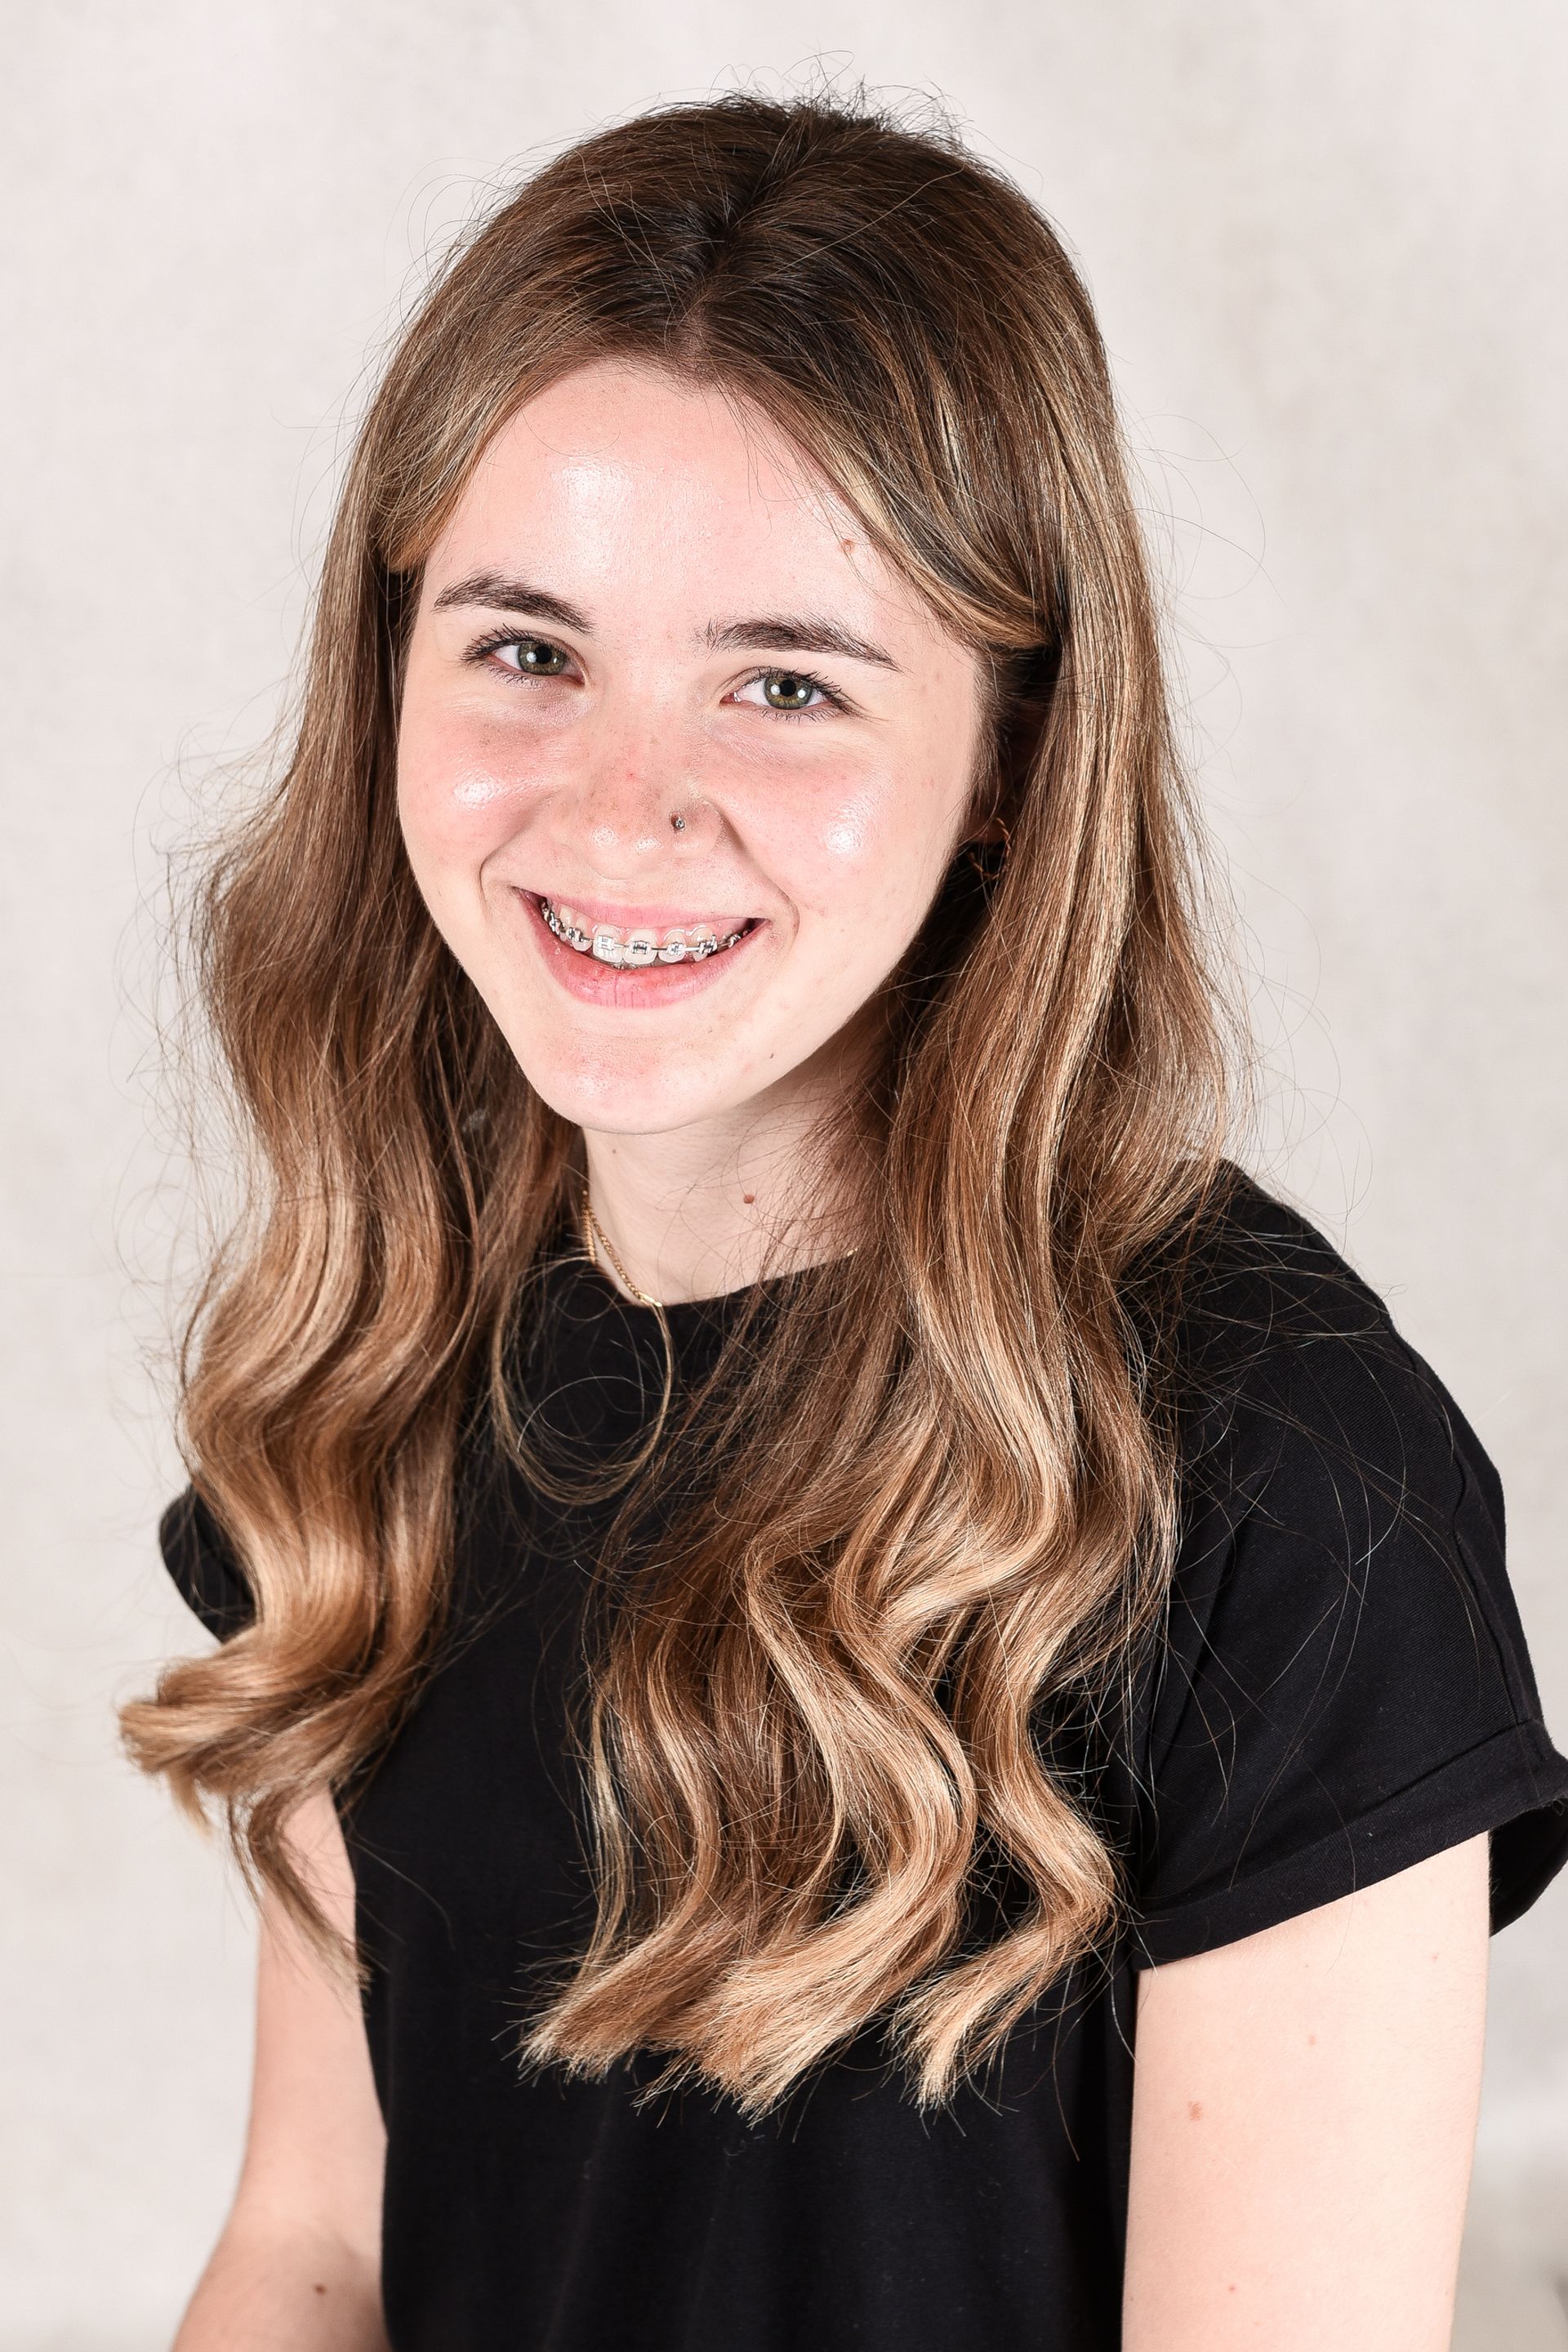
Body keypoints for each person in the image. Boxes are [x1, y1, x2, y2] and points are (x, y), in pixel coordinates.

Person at [125, 91, 1568, 2352]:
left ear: (1007, 760)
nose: (621, 807)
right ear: (387, 661)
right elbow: (318, 2247)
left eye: (786, 681)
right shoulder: (381, 1361)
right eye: (526, 648)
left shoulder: (1288, 1490)